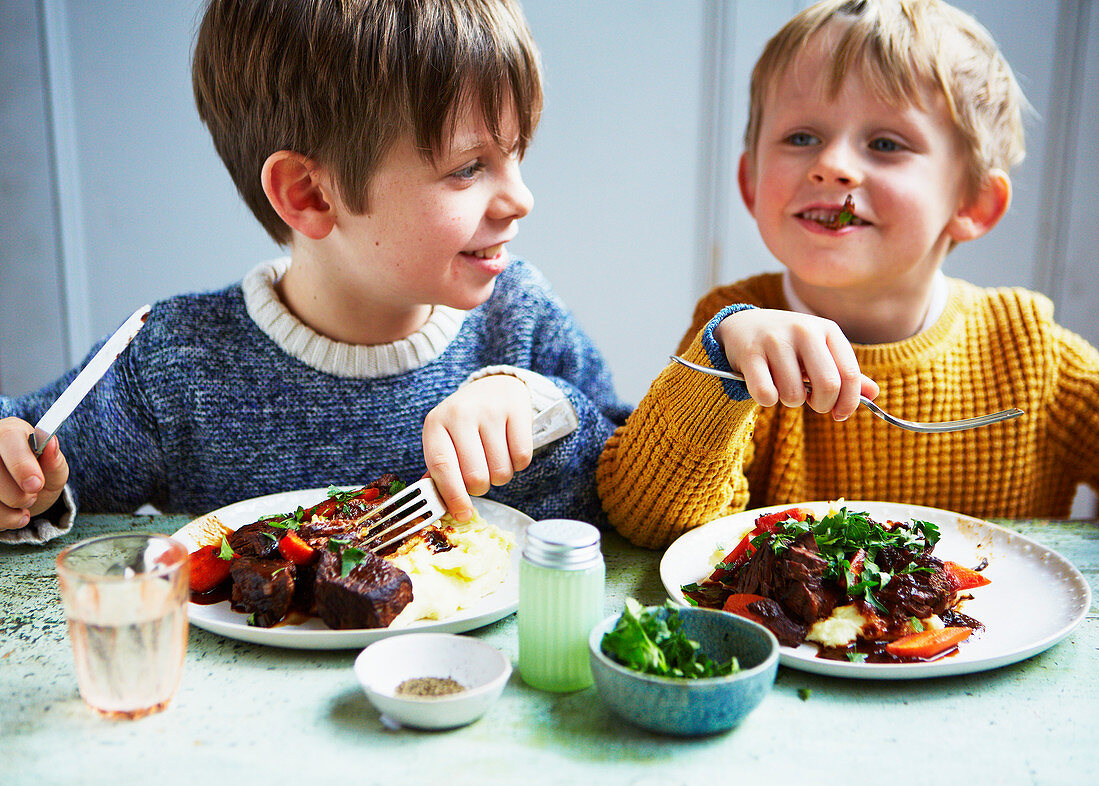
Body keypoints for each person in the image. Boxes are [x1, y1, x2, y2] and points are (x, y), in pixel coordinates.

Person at [0, 0, 629, 545]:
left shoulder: (521, 322)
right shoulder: (178, 364)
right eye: (469, 167)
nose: (521, 198)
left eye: (516, 153)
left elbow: (632, 485)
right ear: (310, 195)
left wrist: (544, 409)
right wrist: (17, 474)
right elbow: (27, 446)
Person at [598, 0, 1099, 549]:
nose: (832, 164)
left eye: (885, 144)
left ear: (973, 201)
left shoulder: (1030, 352)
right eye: (802, 137)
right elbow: (648, 522)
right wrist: (724, 358)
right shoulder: (739, 335)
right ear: (751, 181)